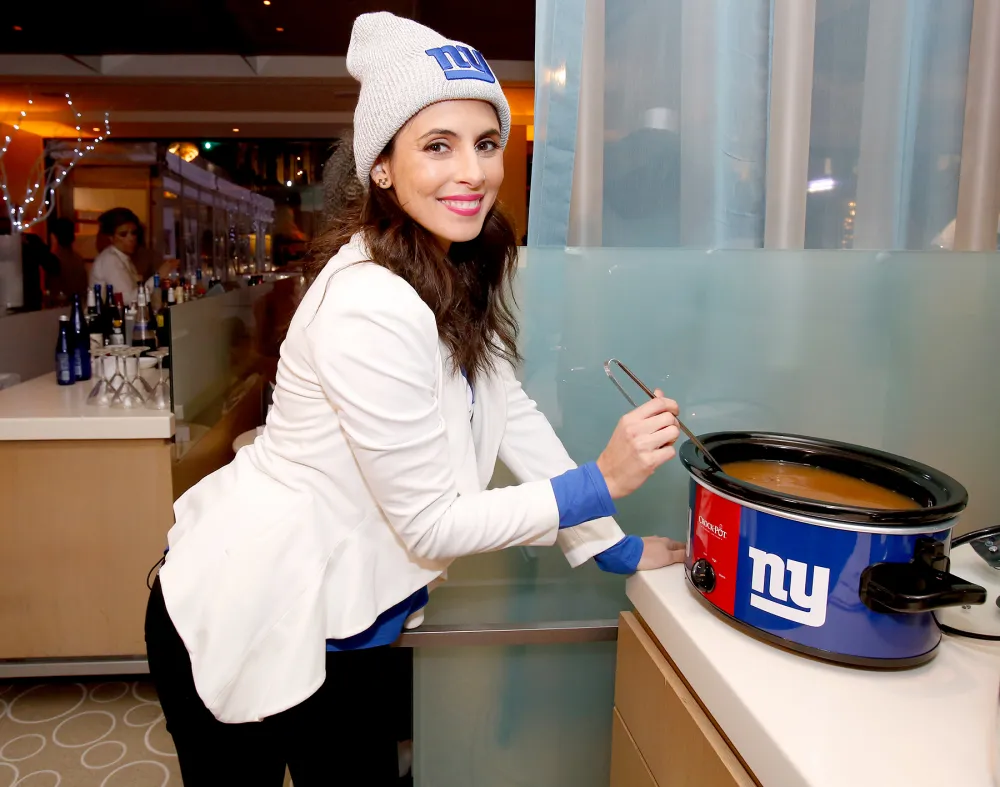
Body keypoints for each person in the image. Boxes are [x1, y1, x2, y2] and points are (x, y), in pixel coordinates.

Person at [144, 12, 686, 787]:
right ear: (384, 168)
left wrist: (609, 541)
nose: (473, 171)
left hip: (348, 617)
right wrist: (599, 481)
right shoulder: (370, 301)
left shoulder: (455, 264)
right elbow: (430, 519)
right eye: (438, 144)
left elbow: (509, 409)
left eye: (486, 142)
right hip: (250, 604)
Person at [89, 208, 174, 305]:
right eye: (123, 234)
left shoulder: (123, 257)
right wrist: (158, 276)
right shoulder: (110, 259)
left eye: (134, 233)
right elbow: (127, 299)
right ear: (111, 237)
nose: (131, 238)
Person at [47, 217, 89, 304]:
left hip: (60, 307)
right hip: (79, 304)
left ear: (54, 237)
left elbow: (54, 291)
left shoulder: (53, 261)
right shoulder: (78, 259)